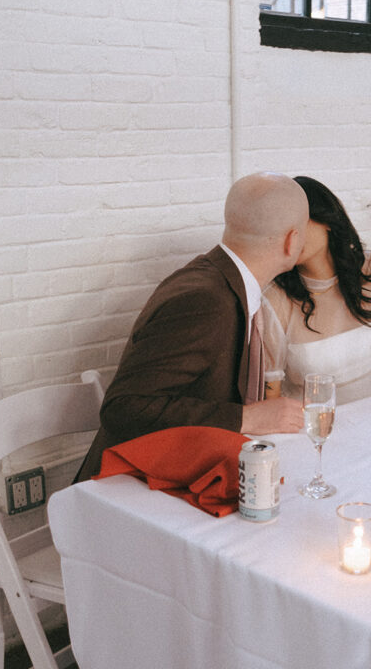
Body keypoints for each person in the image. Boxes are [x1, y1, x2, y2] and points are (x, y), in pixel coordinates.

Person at [76, 172, 309, 481]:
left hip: (183, 473)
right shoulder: (207, 301)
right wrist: (246, 417)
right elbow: (124, 408)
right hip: (128, 491)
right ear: (292, 241)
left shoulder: (219, 281)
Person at [262, 175, 371, 405]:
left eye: (295, 225)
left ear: (325, 219)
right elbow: (270, 400)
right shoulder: (274, 299)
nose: (288, 239)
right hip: (315, 431)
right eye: (278, 229)